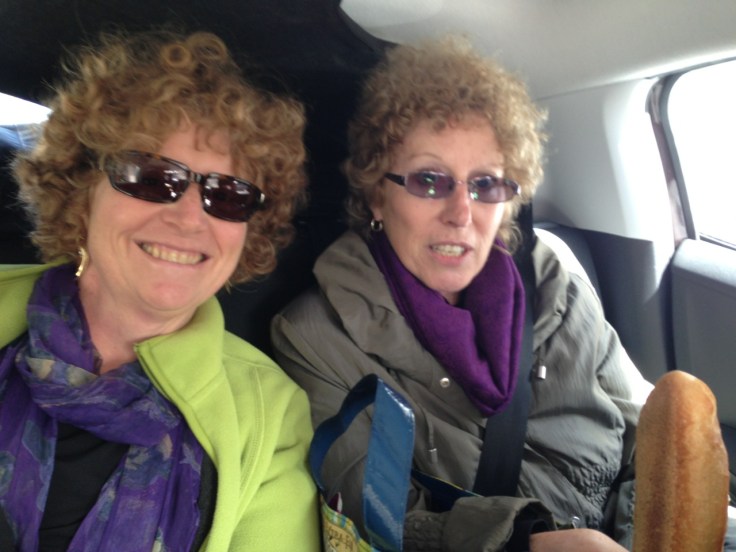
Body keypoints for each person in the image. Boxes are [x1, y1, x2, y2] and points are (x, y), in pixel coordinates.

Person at [270, 36, 654, 551]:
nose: (461, 213)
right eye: (429, 181)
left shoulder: (556, 288)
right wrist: (528, 544)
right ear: (377, 194)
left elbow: (647, 441)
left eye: (486, 184)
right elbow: (378, 523)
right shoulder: (315, 336)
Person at [0, 30, 320, 551]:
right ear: (81, 188)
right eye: (151, 175)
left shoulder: (271, 413)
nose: (190, 218)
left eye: (228, 194)